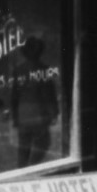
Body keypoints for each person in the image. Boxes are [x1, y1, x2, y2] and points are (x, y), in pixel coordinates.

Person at [10, 37, 59, 168]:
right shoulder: (43, 70)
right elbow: (49, 95)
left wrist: (15, 117)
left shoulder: (18, 70)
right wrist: (54, 113)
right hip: (38, 114)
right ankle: (31, 168)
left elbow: (14, 97)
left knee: (23, 147)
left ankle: (22, 170)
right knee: (43, 143)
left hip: (23, 114)